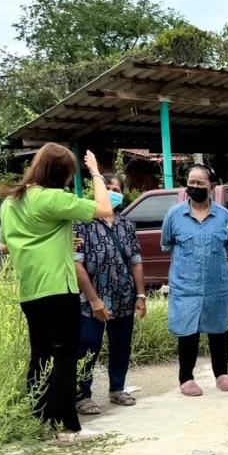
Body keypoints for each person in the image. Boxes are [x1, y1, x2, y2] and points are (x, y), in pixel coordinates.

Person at [0, 143, 113, 445]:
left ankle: (40, 422)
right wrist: (96, 173)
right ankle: (68, 427)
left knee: (40, 356)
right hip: (58, 289)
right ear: (61, 173)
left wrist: (57, 240)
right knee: (64, 357)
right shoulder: (52, 198)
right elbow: (105, 209)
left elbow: (5, 246)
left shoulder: (11, 202)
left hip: (30, 291)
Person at [74, 170, 147, 415]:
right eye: (107, 189)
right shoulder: (82, 222)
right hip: (91, 299)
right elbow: (77, 264)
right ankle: (82, 395)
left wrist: (140, 295)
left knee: (121, 345)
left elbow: (136, 261)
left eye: (117, 190)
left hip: (123, 296)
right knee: (88, 346)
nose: (112, 194)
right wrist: (94, 299)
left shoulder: (126, 225)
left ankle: (117, 388)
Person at [160, 164, 228, 397]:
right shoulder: (174, 215)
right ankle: (186, 378)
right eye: (191, 182)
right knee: (187, 331)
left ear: (211, 187)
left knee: (219, 328)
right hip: (185, 284)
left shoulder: (224, 216)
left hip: (217, 284)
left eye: (200, 183)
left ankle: (221, 374)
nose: (195, 187)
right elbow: (167, 244)